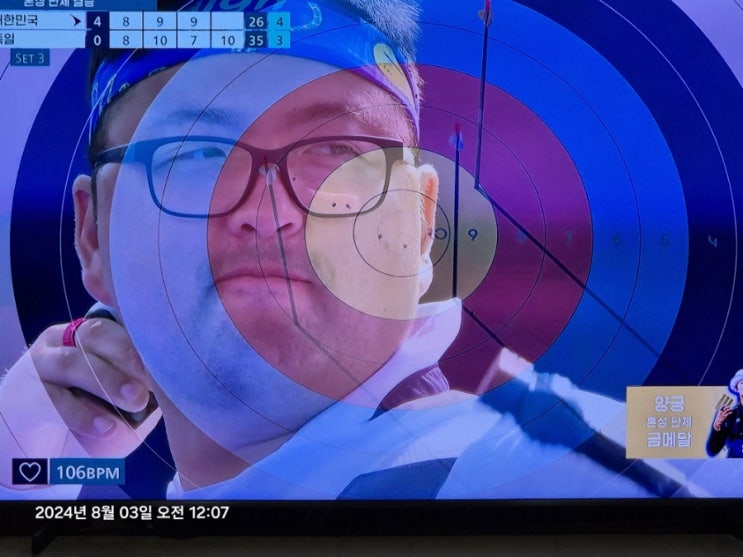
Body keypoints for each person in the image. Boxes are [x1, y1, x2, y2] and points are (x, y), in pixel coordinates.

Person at [0, 0, 697, 500]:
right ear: (93, 236)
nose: (269, 213)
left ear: (421, 226)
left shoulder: (573, 469)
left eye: (336, 152)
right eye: (197, 154)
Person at [706, 369, 743, 458]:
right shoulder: (729, 415)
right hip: (735, 463)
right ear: (737, 388)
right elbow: (713, 449)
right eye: (742, 383)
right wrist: (717, 425)